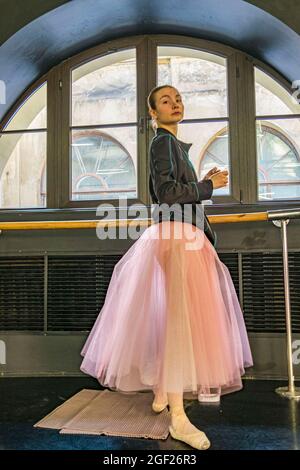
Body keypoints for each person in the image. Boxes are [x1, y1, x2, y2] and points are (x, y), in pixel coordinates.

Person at [80, 84, 253, 451]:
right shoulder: (162, 143)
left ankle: (163, 390)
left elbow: (175, 189)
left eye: (177, 99)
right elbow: (168, 193)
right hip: (177, 238)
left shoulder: (172, 146)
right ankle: (178, 417)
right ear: (153, 114)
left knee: (174, 318)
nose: (175, 103)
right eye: (165, 100)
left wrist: (200, 183)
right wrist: (209, 184)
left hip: (181, 236)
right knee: (181, 323)